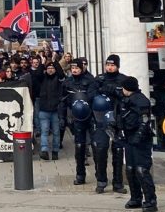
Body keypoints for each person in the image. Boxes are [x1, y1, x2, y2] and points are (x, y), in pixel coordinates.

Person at [93, 54, 130, 194]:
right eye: (108, 64)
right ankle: (101, 180)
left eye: (113, 65)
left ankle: (118, 182)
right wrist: (101, 91)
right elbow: (91, 95)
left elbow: (129, 96)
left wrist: (116, 92)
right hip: (102, 119)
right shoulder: (99, 79)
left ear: (117, 66)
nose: (110, 67)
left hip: (118, 119)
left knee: (118, 152)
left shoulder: (124, 80)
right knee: (101, 149)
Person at [120, 77, 157, 212]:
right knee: (130, 168)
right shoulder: (125, 100)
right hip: (129, 137)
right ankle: (135, 198)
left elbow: (145, 120)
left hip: (141, 139)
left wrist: (139, 135)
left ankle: (150, 200)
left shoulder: (141, 100)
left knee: (142, 170)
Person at [63, 58, 97, 184]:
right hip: (75, 117)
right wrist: (63, 118)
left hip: (90, 116)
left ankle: (99, 173)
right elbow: (63, 101)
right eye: (72, 68)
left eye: (77, 68)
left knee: (95, 145)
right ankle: (80, 175)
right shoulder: (67, 83)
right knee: (79, 146)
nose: (75, 70)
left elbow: (93, 97)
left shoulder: (90, 81)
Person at [37, 61, 65, 160]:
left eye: (52, 68)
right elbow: (38, 73)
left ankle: (55, 151)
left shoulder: (59, 79)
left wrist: (55, 62)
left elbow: (61, 74)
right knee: (44, 131)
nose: (50, 70)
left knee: (56, 132)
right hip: (44, 110)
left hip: (55, 110)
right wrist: (42, 63)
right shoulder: (42, 78)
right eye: (48, 68)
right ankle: (44, 150)